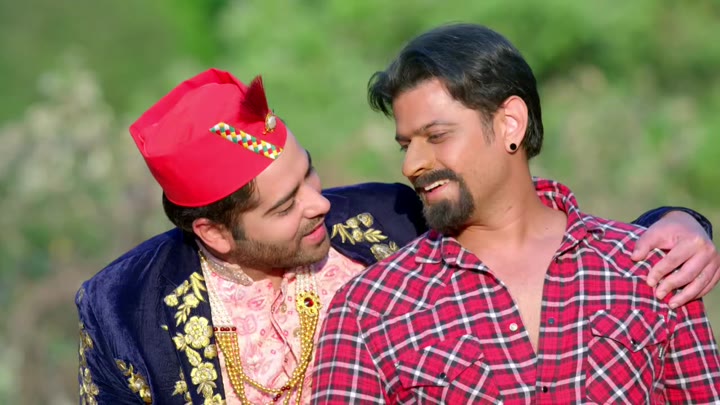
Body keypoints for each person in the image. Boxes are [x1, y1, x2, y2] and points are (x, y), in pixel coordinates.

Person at [75, 68, 716, 405]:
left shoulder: (386, 216)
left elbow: (526, 222)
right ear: (215, 232)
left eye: (309, 173)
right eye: (287, 204)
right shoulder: (123, 314)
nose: (320, 202)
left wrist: (681, 221)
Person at [311, 23, 720, 404]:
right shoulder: (370, 309)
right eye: (406, 145)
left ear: (511, 123)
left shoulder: (655, 270)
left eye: (436, 136)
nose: (411, 165)